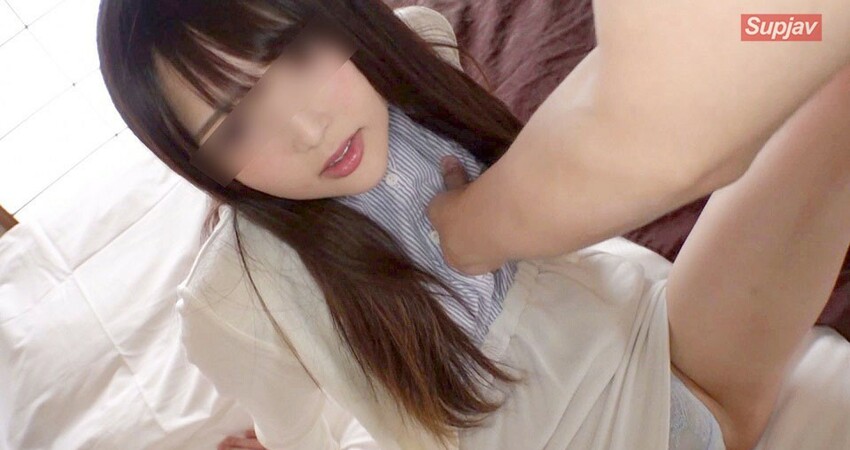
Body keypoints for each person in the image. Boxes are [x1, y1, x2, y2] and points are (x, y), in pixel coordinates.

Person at [94, 1, 850, 449]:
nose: (306, 129)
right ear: (205, 169)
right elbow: (299, 434)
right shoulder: (238, 298)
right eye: (234, 128)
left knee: (831, 73)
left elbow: (745, 54)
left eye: (295, 55)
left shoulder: (421, 47)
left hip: (666, 347)